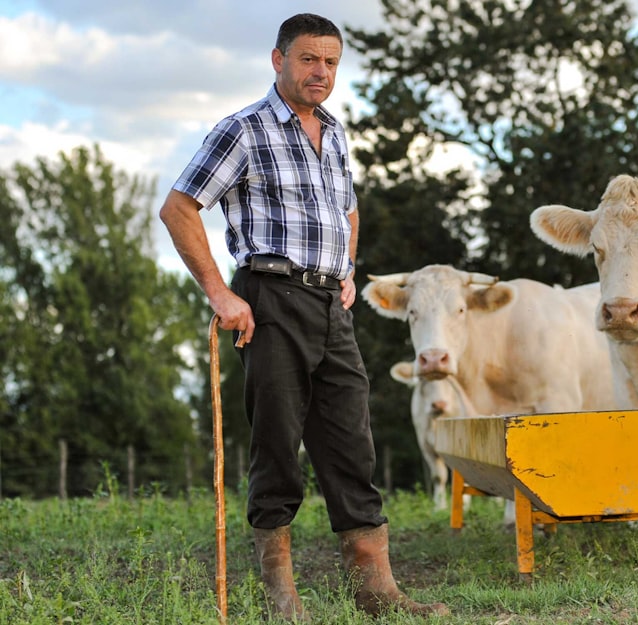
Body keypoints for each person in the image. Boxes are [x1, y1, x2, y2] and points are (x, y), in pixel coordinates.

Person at [159, 13, 449, 621]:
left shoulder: (337, 133)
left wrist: (347, 269)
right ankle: (281, 599)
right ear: (278, 60)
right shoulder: (244, 129)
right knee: (277, 442)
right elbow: (179, 206)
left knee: (352, 440)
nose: (321, 73)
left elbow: (347, 208)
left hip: (328, 305)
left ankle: (377, 592)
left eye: (331, 63)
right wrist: (220, 294)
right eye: (309, 59)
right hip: (268, 301)